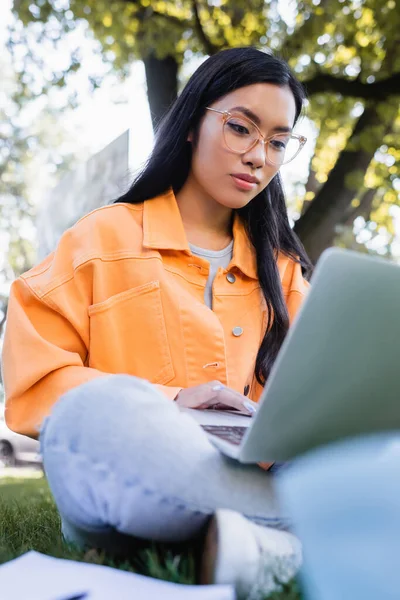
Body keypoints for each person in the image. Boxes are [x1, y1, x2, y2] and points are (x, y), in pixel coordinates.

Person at [2, 46, 312, 599]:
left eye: (279, 143)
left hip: (253, 468)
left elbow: (312, 408)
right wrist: (168, 402)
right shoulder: (102, 238)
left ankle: (246, 536)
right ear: (192, 123)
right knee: (98, 413)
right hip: (133, 468)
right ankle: (282, 530)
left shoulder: (286, 274)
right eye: (241, 128)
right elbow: (36, 387)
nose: (258, 157)